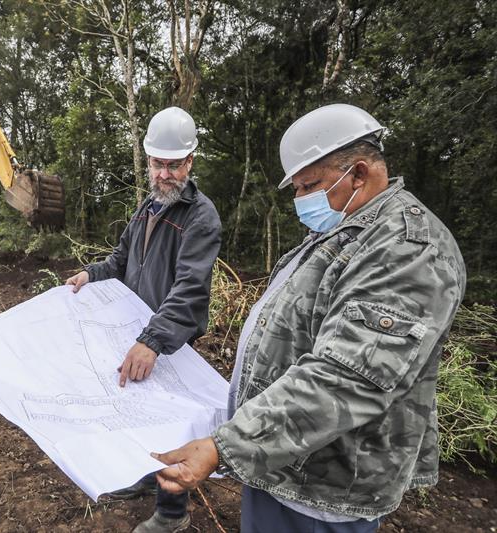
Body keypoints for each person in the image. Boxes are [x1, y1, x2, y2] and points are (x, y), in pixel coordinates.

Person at [149, 103, 466, 533]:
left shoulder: (409, 250)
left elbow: (345, 378)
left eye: (309, 186)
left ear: (358, 173)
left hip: (323, 490)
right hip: (280, 460)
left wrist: (226, 446)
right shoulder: (343, 231)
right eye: (296, 188)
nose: (300, 200)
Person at [65, 106, 222, 533]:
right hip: (137, 326)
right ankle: (139, 476)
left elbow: (190, 289)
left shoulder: (200, 216)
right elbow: (120, 259)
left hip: (170, 335)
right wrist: (90, 274)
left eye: (174, 165)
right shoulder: (147, 207)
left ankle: (172, 514)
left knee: (170, 421)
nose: (165, 174)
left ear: (190, 162)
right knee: (134, 407)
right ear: (148, 161)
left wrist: (153, 341)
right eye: (158, 164)